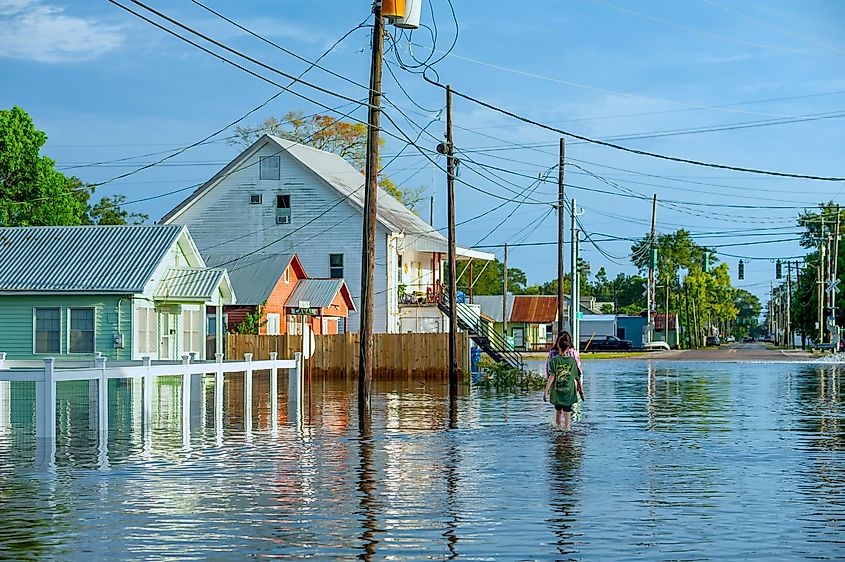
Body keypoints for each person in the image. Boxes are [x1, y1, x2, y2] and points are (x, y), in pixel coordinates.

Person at [543, 331, 585, 430]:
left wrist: (546, 389)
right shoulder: (566, 355)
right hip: (564, 386)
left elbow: (550, 373)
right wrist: (580, 389)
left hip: (563, 386)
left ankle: (560, 430)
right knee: (566, 410)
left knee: (561, 410)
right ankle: (566, 430)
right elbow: (578, 373)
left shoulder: (564, 355)